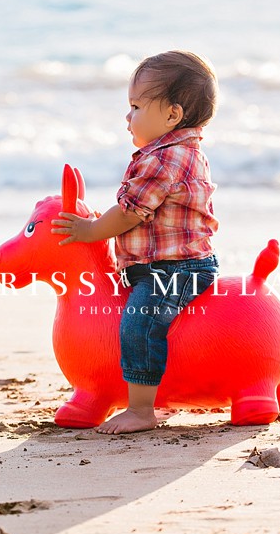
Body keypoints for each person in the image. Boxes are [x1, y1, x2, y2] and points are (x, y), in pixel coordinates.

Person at [52, 50, 220, 435]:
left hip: (175, 269)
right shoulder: (181, 151)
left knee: (139, 323)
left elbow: (130, 212)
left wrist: (89, 232)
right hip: (164, 263)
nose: (128, 117)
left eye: (136, 106)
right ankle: (157, 392)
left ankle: (142, 410)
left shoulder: (164, 159)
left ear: (172, 115)